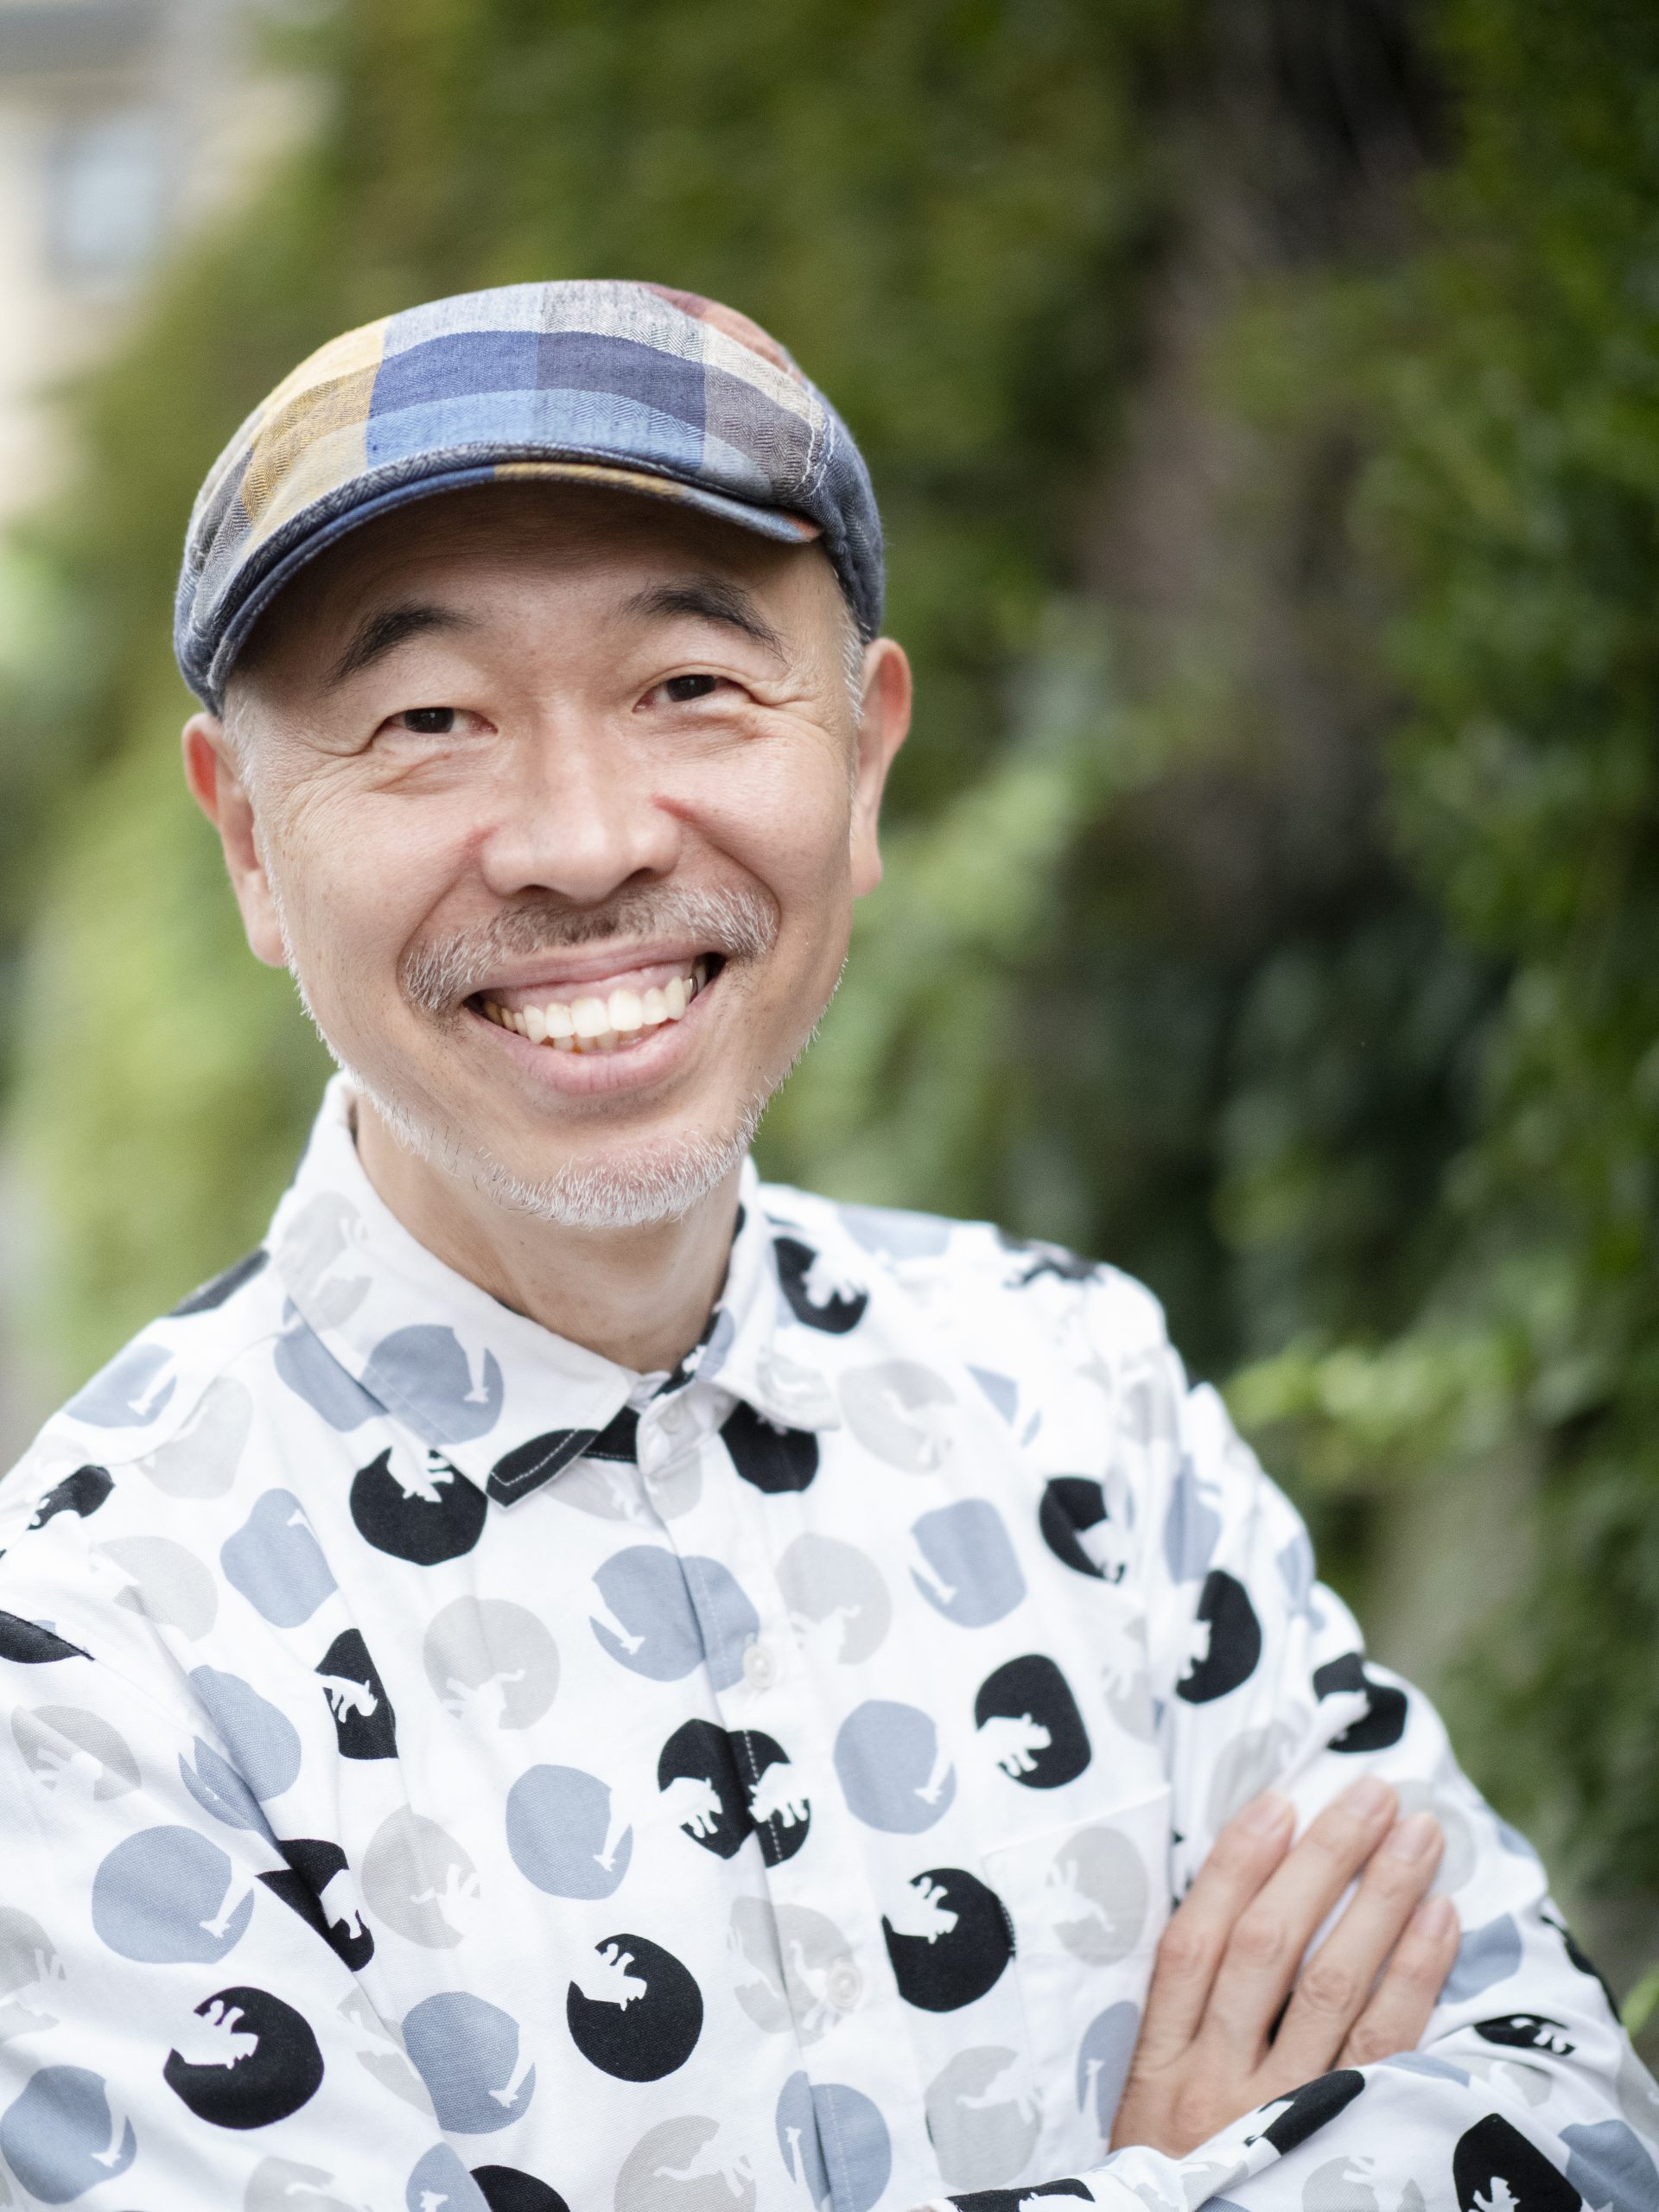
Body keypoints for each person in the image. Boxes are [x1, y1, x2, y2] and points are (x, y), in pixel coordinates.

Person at [0, 279, 1648, 2212]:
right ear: (252, 845)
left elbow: (1570, 2129)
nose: (587, 839)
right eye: (428, 719)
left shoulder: (1078, 1402)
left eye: (690, 686)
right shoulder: (91, 1661)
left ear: (862, 763)